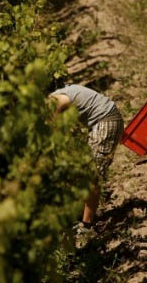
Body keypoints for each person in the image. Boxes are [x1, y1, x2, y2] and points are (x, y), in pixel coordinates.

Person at [50, 84, 123, 228]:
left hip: (106, 121)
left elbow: (54, 124)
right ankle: (80, 215)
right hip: (103, 120)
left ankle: (87, 224)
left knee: (92, 175)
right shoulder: (56, 96)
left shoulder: (55, 100)